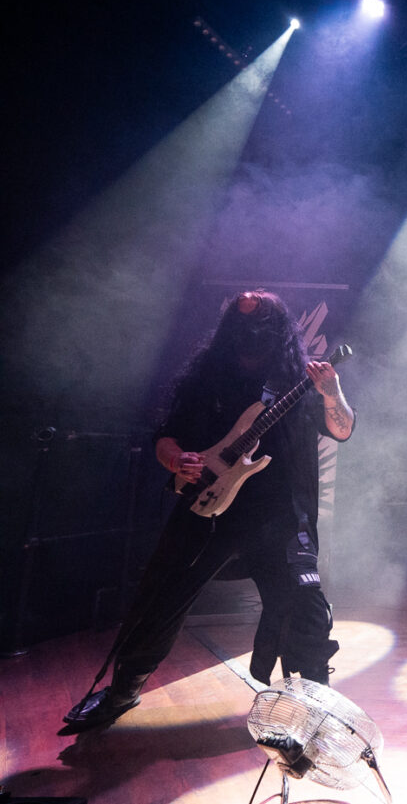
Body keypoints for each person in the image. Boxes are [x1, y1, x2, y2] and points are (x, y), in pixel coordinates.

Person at [62, 289, 355, 732]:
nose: (251, 333)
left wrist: (332, 392)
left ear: (278, 330)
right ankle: (122, 691)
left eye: (260, 322)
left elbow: (342, 429)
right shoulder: (206, 378)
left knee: (305, 603)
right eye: (243, 321)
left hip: (280, 515)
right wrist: (177, 460)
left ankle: (316, 704)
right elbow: (166, 437)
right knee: (161, 598)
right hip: (210, 508)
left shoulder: (299, 381)